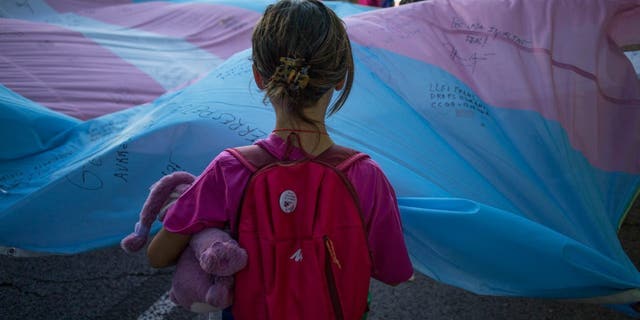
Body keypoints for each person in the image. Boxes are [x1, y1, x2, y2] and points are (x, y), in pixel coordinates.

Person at [146, 0, 413, 318]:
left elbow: (158, 254)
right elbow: (394, 272)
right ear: (339, 78)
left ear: (260, 76)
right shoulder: (366, 176)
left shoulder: (229, 170)